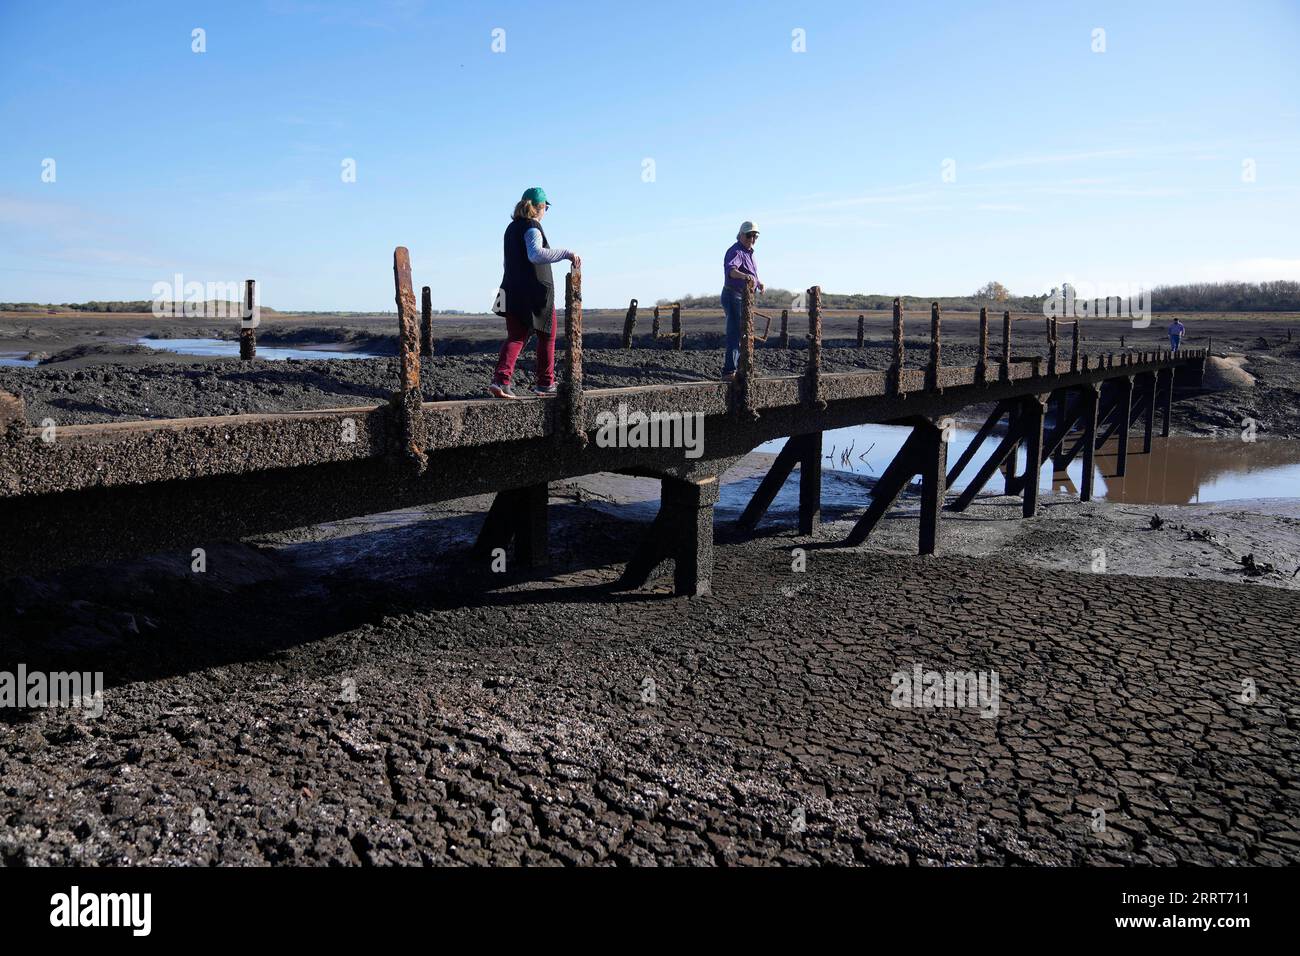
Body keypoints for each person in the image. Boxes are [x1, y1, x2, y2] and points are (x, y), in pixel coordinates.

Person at [491, 186, 580, 398]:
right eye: (546, 208)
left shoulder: (510, 229)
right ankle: (545, 384)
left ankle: (500, 381)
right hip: (535, 294)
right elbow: (536, 254)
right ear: (540, 207)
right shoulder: (532, 226)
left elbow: (507, 263)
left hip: (511, 289)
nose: (545, 212)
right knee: (547, 336)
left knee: (516, 337)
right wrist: (567, 253)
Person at [720, 221, 764, 380]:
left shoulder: (749, 252)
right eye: (749, 235)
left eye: (755, 236)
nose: (752, 238)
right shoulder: (737, 251)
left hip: (743, 297)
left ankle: (743, 369)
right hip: (733, 296)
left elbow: (751, 273)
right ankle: (729, 371)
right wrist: (744, 276)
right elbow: (731, 271)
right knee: (735, 332)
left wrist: (758, 283)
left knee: (744, 332)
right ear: (740, 235)